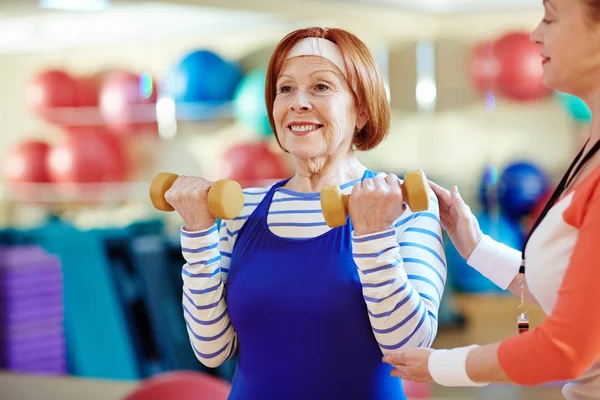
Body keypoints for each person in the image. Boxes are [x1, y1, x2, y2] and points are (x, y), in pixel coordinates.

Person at [164, 27, 446, 399]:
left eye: (321, 87)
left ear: (361, 110)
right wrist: (198, 231)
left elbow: (408, 347)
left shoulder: (404, 208)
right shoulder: (243, 209)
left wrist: (374, 233)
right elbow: (211, 349)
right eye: (285, 89)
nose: (298, 102)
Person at [383, 0, 600, 398]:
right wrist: (475, 246)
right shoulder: (590, 149)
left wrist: (439, 364)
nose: (535, 34)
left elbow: (566, 349)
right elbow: (574, 293)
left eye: (550, 17)